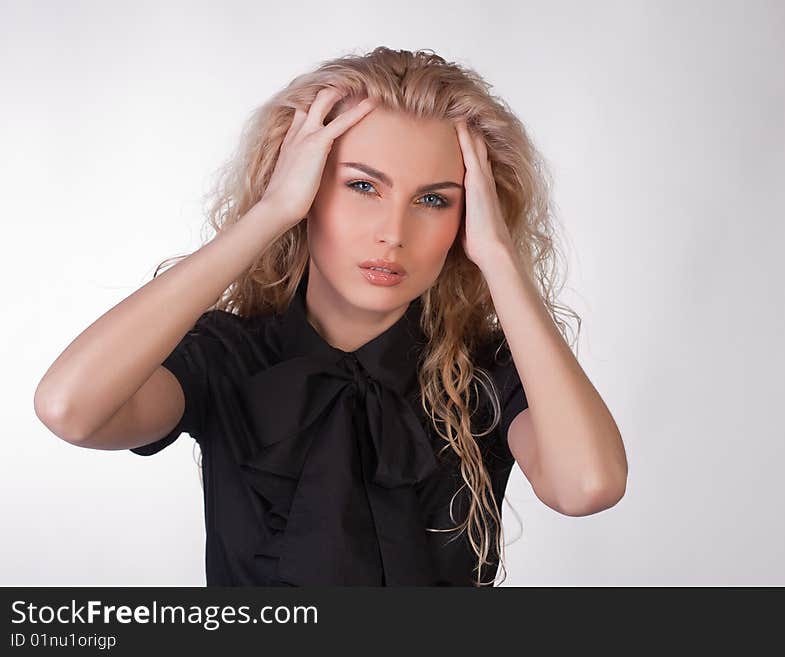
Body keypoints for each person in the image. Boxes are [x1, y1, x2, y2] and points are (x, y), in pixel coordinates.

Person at [34, 47, 627, 587]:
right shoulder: (228, 357)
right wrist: (269, 214)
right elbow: (71, 410)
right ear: (306, 186)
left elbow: (587, 486)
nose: (393, 234)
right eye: (363, 186)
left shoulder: (488, 372)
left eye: (433, 200)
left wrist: (498, 258)